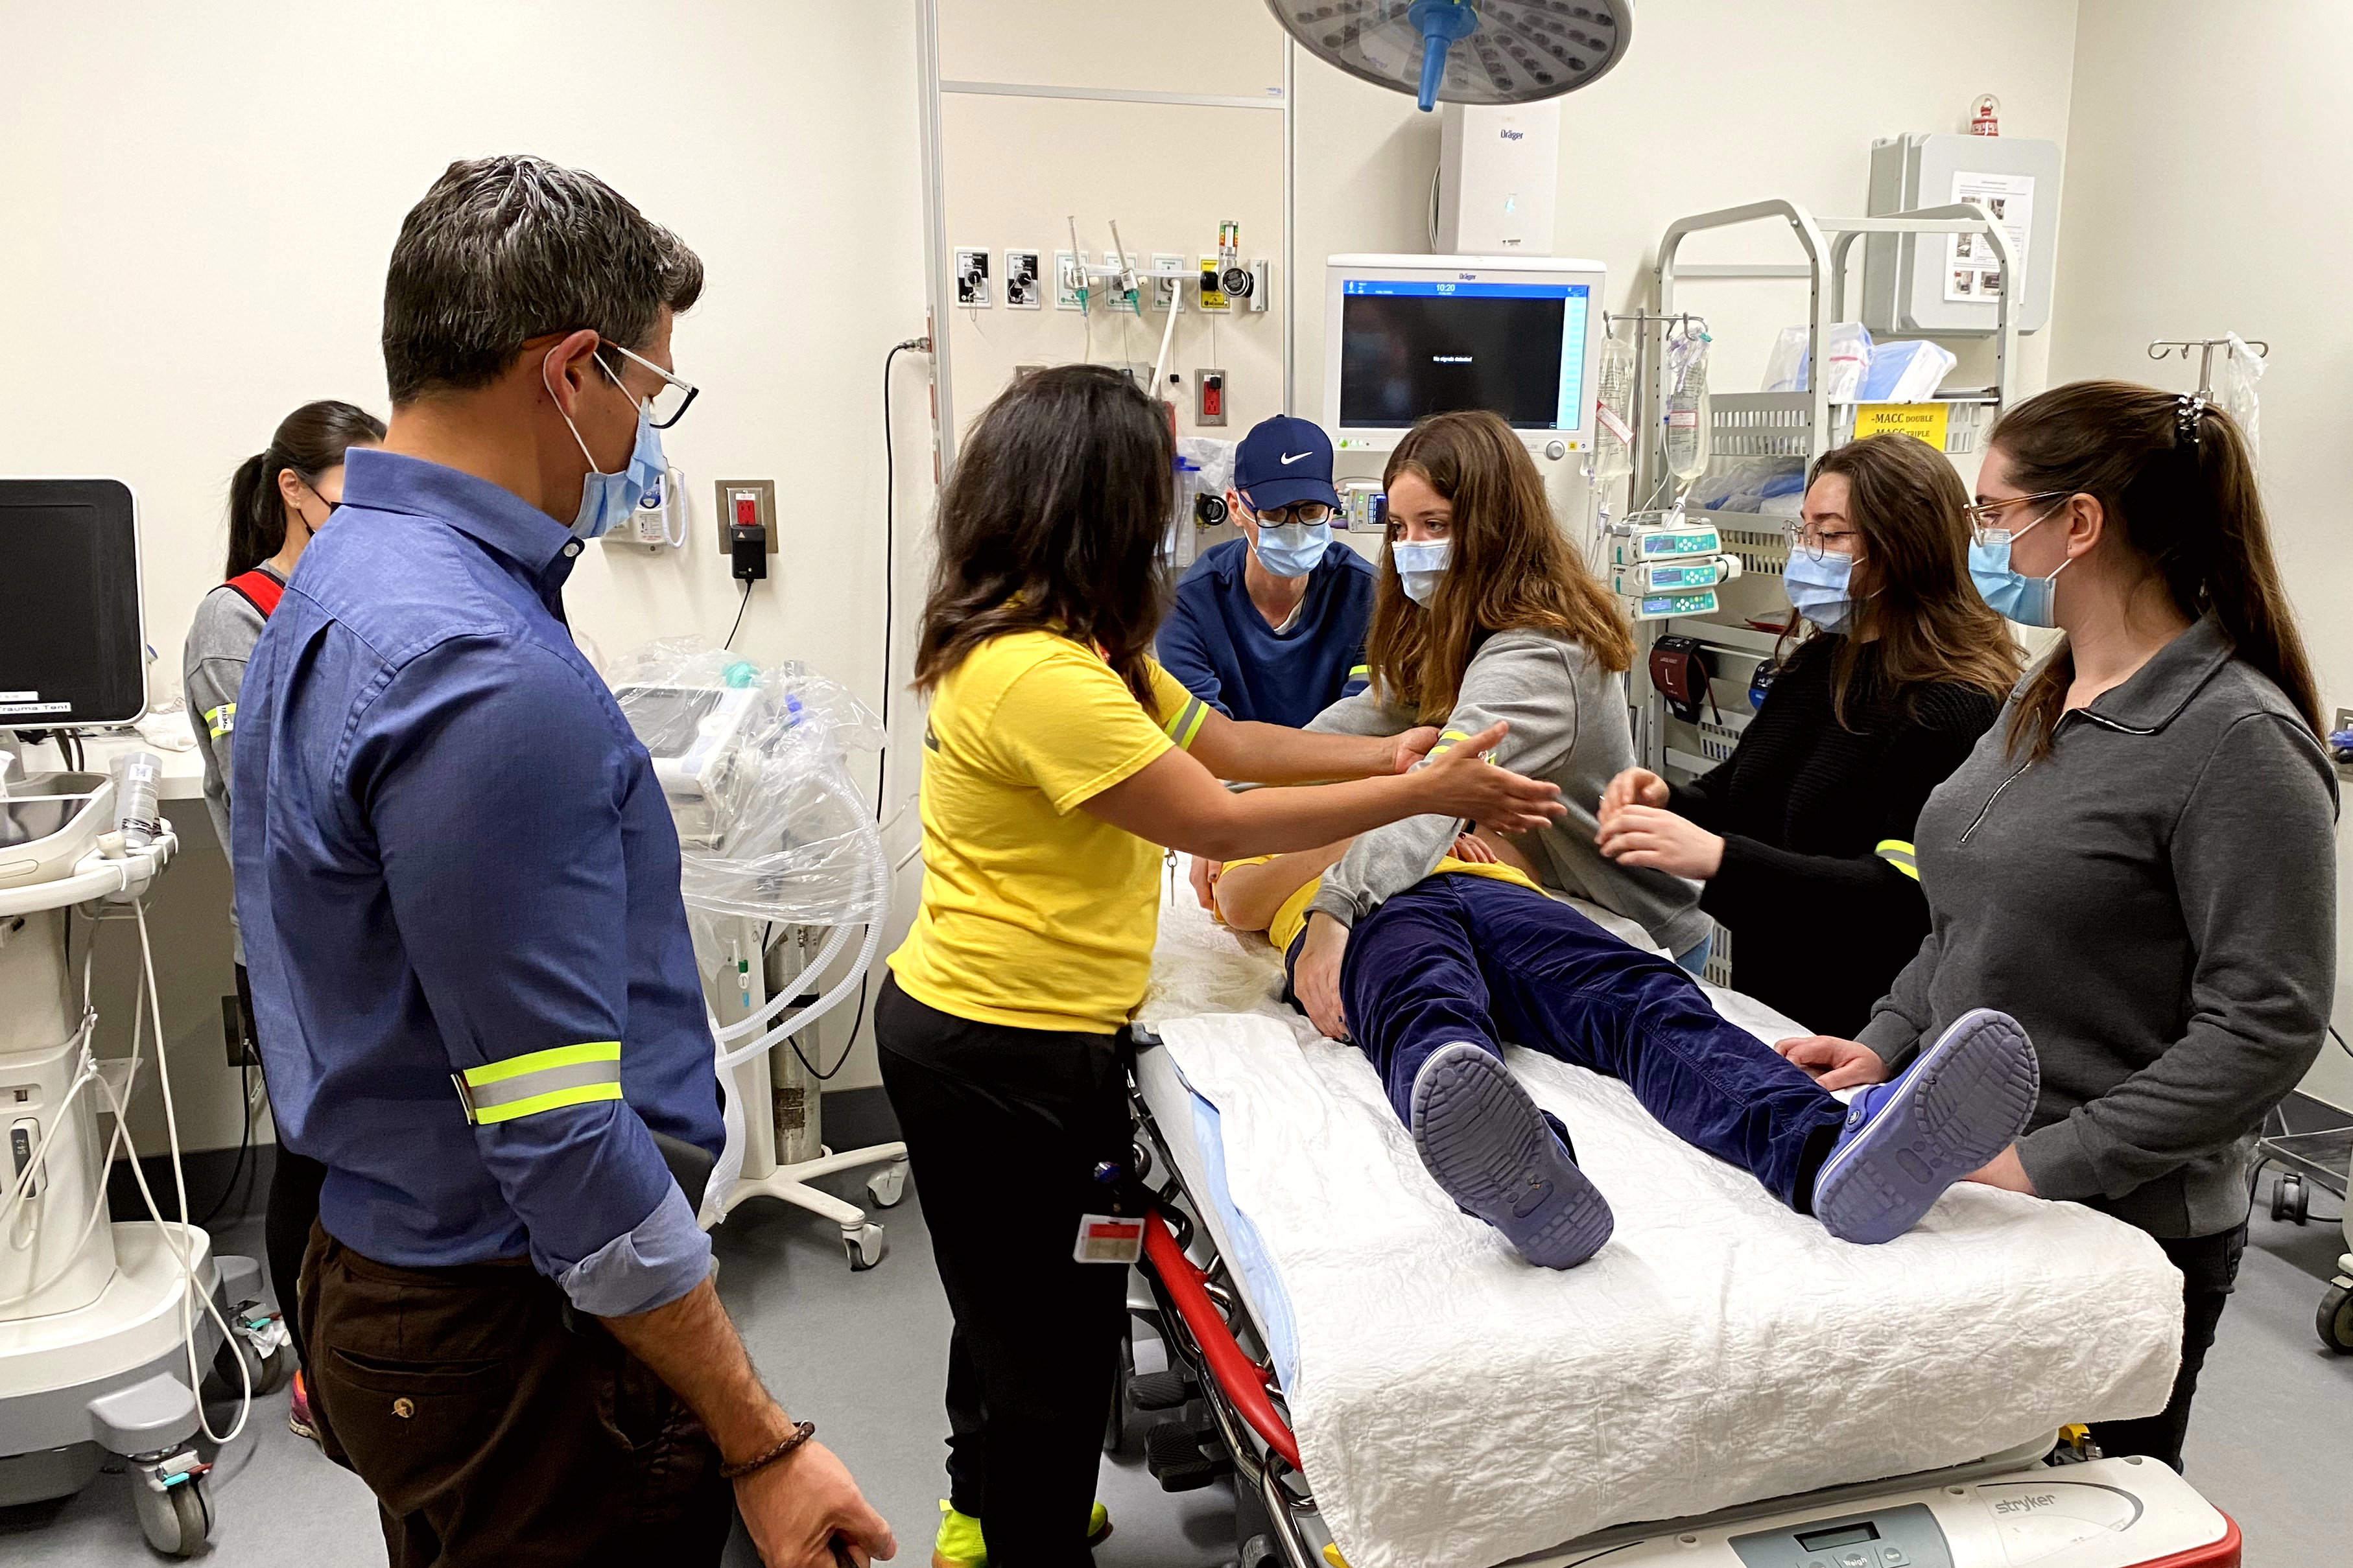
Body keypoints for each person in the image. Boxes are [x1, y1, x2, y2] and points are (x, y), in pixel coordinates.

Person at [234, 156, 893, 1568]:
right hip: (517, 1322)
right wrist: (760, 1438)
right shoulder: (478, 667)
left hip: (394, 1265)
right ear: (572, 373)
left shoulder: (340, 581)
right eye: (650, 391)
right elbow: (555, 1133)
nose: (646, 433)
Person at [877, 365, 1566, 1568]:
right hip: (995, 1046)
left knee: (1013, 1304)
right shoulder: (1034, 674)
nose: (1169, 516)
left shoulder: (1080, 642)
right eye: (1155, 490)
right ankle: (1016, 1528)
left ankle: (985, 1501)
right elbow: (1212, 820)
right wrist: (1424, 787)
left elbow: (1228, 742)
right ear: (1091, 502)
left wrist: (1387, 747)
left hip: (1030, 1027)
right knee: (1039, 1343)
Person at [1777, 381, 2337, 1473]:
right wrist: (1882, 1040)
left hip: (2119, 1225)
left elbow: (2264, 1026)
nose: (1977, 538)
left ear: (2076, 523)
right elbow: (1960, 904)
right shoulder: (2052, 689)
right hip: (1962, 1166)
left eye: (1992, 514)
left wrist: (2042, 1161)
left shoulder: (2235, 738)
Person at [1212, 830, 2041, 1266]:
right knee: (1425, 1014)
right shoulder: (1261, 807)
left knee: (1642, 1001)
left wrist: (1435, 813)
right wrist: (1383, 817)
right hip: (1369, 923)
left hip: (1502, 903)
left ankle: (1825, 1150)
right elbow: (1236, 894)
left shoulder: (1428, 777)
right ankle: (1527, 1177)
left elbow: (1517, 852)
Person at [1286, 410, 1712, 1044]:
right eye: (1399, 528)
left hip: (1630, 926)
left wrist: (1334, 908)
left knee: (1417, 989)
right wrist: (1233, 801)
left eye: (1434, 525)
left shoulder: (1543, 650)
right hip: (1537, 888)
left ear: (1492, 525)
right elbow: (1352, 727)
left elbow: (1436, 794)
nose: (1411, 548)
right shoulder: (1458, 622)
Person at [1594, 434, 2020, 1035]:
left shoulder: (1955, 702)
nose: (1808, 552)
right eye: (1804, 531)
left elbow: (1901, 901)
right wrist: (1671, 802)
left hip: (1871, 1031)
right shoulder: (1818, 662)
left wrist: (1718, 860)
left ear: (1905, 545)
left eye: (1831, 533)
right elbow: (1740, 793)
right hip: (1776, 1012)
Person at [182, 397, 384, 1442]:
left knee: (382, 1151)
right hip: (295, 946)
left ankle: (377, 1350)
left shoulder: (369, 598)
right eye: (352, 497)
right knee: (310, 1159)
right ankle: (318, 1372)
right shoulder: (236, 619)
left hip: (377, 933)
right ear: (292, 492)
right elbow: (274, 790)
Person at [1159, 414, 1377, 910]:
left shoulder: (1367, 595)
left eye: (1310, 510)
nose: (1295, 528)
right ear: (1236, 506)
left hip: (1337, 801)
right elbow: (1205, 741)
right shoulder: (1190, 605)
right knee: (1237, 900)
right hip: (1235, 803)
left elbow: (1362, 730)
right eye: (1276, 514)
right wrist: (1223, 822)